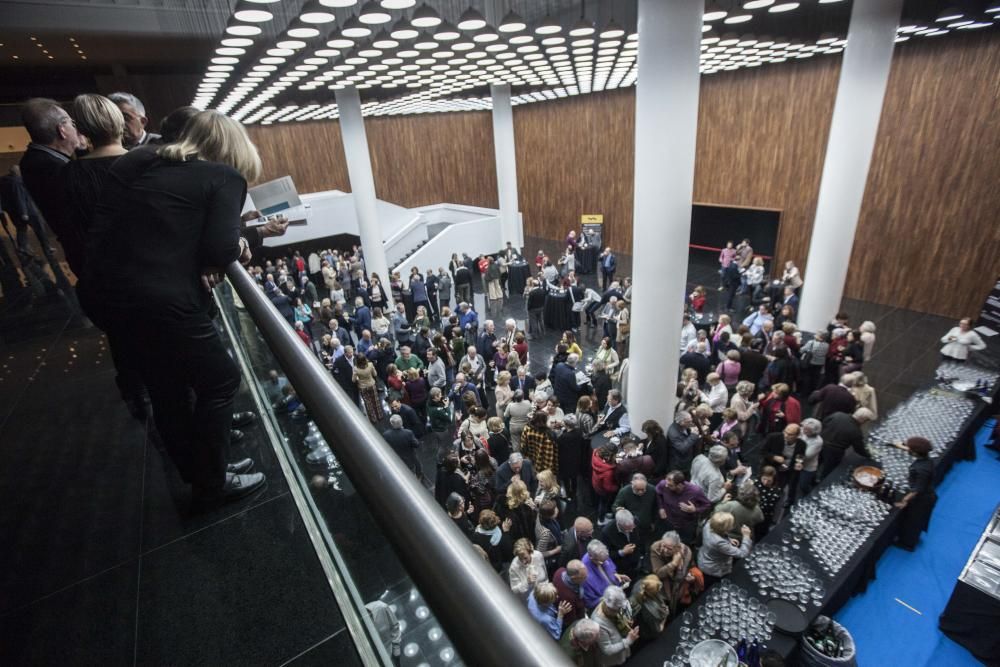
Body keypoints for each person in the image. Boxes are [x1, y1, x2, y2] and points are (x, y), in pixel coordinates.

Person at [84, 110, 264, 502]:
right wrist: (242, 245)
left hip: (112, 298)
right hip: (163, 299)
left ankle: (200, 472)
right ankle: (212, 483)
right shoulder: (224, 177)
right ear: (234, 149)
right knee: (221, 379)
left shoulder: (146, 163)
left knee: (168, 390)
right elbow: (221, 247)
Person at [19, 98, 84, 268]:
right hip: (87, 251)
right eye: (72, 123)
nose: (76, 129)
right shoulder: (51, 167)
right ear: (62, 130)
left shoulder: (34, 159)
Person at [893, 437, 938, 551]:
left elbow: (917, 490)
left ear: (915, 452)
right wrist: (899, 445)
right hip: (924, 495)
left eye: (909, 449)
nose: (908, 449)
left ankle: (907, 544)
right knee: (914, 520)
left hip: (923, 499)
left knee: (913, 522)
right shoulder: (927, 459)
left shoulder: (921, 469)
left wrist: (904, 501)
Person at [649, 531, 702, 615]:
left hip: (679, 589)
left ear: (677, 547)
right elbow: (658, 573)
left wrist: (692, 576)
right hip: (662, 589)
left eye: (669, 548)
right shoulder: (656, 548)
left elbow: (691, 566)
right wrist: (673, 563)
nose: (665, 550)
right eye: (663, 545)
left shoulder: (686, 551)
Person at [655, 471, 712, 544]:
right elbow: (658, 492)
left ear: (680, 485)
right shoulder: (664, 484)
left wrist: (695, 510)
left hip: (685, 525)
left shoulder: (695, 491)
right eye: (666, 483)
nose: (666, 486)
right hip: (668, 522)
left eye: (670, 485)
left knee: (683, 544)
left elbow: (707, 505)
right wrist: (661, 507)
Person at [698, 511, 753, 586]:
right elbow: (742, 554)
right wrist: (746, 536)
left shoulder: (709, 524)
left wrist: (729, 540)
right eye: (731, 524)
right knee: (712, 586)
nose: (733, 525)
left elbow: (717, 533)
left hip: (705, 556)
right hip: (713, 569)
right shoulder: (719, 543)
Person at [818, 408, 875, 479]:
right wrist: (869, 455)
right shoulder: (856, 431)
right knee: (828, 470)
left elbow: (824, 423)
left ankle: (811, 479)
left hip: (820, 443)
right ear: (863, 420)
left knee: (815, 464)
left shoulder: (838, 414)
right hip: (835, 452)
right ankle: (820, 483)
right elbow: (858, 449)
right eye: (867, 420)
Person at [591, 586, 639, 666]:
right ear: (607, 606)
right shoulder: (598, 623)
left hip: (622, 648)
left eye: (619, 609)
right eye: (615, 610)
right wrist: (628, 641)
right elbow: (607, 649)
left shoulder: (611, 607)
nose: (618, 612)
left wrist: (626, 622)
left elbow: (618, 618)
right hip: (613, 659)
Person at [581, 540, 629, 611]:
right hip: (605, 607)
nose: (604, 563)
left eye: (605, 560)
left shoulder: (602, 556)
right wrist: (610, 596)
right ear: (591, 557)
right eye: (601, 562)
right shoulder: (584, 574)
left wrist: (615, 575)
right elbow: (590, 603)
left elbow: (610, 568)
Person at [629, 575, 669, 648]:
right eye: (658, 589)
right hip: (648, 634)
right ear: (652, 593)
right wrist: (665, 617)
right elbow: (658, 630)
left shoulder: (640, 584)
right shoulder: (650, 612)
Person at [602, 509, 641, 582]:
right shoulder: (607, 532)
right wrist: (622, 552)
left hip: (636, 561)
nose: (631, 531)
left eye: (632, 527)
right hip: (621, 568)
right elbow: (606, 555)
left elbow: (641, 538)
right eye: (627, 530)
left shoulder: (635, 521)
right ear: (619, 524)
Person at [520, 410, 559, 477]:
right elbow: (550, 453)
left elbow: (523, 445)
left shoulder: (527, 428)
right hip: (543, 462)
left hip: (531, 457)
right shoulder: (548, 434)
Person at [552, 559, 589, 624]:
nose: (586, 578)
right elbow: (571, 619)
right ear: (573, 578)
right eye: (583, 577)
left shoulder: (560, 571)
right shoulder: (568, 597)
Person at [667, 411, 700, 475]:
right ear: (681, 422)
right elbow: (682, 448)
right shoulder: (673, 432)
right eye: (688, 422)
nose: (691, 423)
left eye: (691, 421)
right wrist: (693, 435)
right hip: (679, 465)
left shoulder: (685, 426)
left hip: (687, 461)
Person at [798, 418, 824, 497]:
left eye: (807, 430)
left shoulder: (817, 442)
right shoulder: (802, 431)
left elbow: (807, 455)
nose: (804, 431)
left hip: (808, 467)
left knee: (804, 485)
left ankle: (810, 496)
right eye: (804, 428)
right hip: (799, 463)